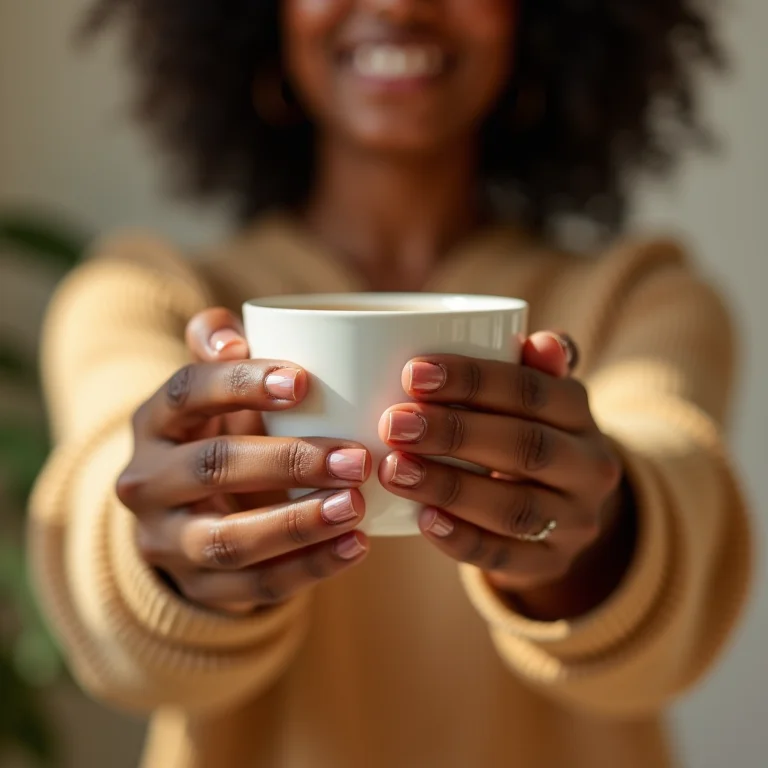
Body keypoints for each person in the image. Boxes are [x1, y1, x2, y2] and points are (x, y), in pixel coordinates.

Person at [29, 1, 752, 767]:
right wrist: (171, 554)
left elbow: (675, 467)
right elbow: (98, 524)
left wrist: (601, 529)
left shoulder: (641, 297)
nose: (400, 5)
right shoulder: (145, 295)